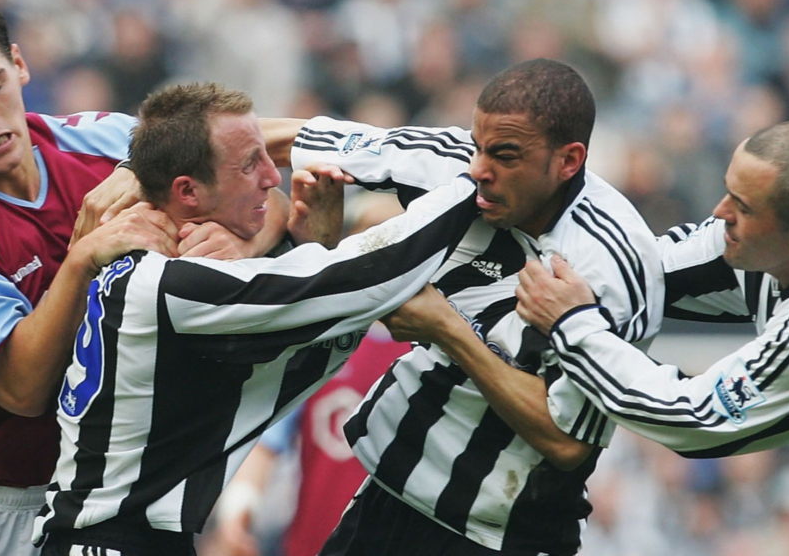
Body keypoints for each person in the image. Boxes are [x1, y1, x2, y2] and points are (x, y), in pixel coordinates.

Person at [0, 0, 284, 556]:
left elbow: (260, 162)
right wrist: (83, 256)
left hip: (83, 503)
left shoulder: (106, 141)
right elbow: (21, 390)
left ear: (19, 64)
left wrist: (241, 238)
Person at [32, 81, 485, 556]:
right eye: (250, 163)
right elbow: (362, 281)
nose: (273, 175)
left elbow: (307, 350)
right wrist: (475, 181)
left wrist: (310, 246)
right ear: (187, 190)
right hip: (106, 540)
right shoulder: (171, 284)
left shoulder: (164, 270)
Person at [270, 58, 665, 556]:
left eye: (503, 154)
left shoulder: (612, 266)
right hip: (383, 501)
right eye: (478, 146)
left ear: (568, 160)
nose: (479, 169)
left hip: (496, 536)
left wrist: (448, 329)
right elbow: (280, 138)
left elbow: (569, 443)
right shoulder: (463, 163)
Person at [513, 119, 789, 525]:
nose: (720, 212)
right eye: (729, 191)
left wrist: (572, 324)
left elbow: (688, 417)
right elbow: (638, 273)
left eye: (743, 207)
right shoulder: (779, 244)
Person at [207, 193, 410, 556]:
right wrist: (239, 507)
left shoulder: (434, 349)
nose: (386, 255)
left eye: (400, 240)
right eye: (375, 237)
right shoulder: (321, 342)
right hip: (309, 542)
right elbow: (269, 438)